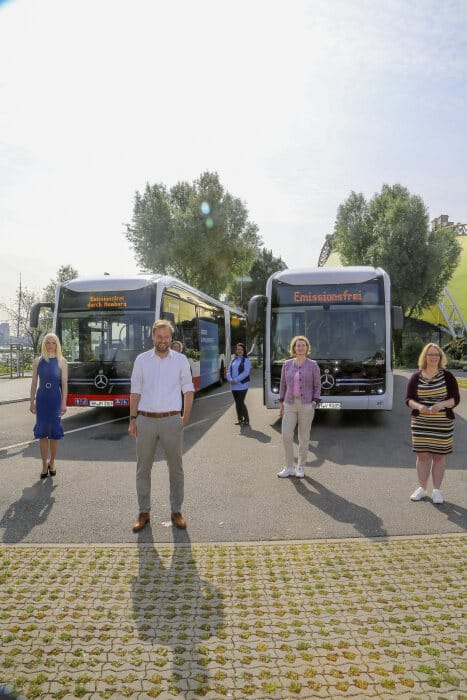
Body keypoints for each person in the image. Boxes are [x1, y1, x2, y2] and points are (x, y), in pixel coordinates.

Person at [129, 319, 194, 532]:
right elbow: (135, 391)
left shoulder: (181, 360)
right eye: (159, 336)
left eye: (166, 337)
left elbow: (188, 389)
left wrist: (184, 417)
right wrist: (132, 419)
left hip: (171, 419)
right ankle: (143, 512)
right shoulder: (141, 360)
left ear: (171, 338)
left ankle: (176, 511)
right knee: (143, 468)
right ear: (153, 336)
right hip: (145, 420)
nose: (163, 340)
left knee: (176, 469)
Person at [405, 342, 460, 504]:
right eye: (430, 354)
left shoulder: (448, 376)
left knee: (438, 456)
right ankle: (422, 488)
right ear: (425, 357)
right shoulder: (416, 377)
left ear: (440, 357)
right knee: (422, 456)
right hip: (420, 422)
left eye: (437, 354)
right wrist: (420, 406)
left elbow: (455, 399)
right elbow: (408, 399)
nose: (434, 357)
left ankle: (437, 491)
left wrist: (441, 405)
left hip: (442, 423)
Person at [277, 335, 321, 478]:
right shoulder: (287, 364)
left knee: (304, 437)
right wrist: (281, 403)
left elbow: (317, 385)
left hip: (307, 404)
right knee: (286, 436)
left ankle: (300, 467)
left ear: (307, 348)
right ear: (294, 348)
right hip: (290, 403)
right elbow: (283, 384)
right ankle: (289, 467)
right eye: (298, 345)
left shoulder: (313, 364)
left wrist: (314, 402)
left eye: (303, 345)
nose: (300, 347)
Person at [29, 332, 68, 479]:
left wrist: (64, 403)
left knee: (54, 434)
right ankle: (44, 464)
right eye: (48, 342)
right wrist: (31, 401)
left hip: (55, 400)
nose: (50, 345)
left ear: (57, 345)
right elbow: (33, 383)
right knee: (42, 433)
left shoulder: (62, 361)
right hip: (42, 399)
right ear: (44, 344)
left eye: (53, 343)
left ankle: (52, 461)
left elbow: (64, 385)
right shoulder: (38, 361)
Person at [227, 342, 251, 426]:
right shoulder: (233, 360)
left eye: (241, 349)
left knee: (240, 402)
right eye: (238, 349)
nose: (239, 351)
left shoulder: (246, 360)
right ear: (236, 350)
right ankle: (240, 419)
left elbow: (246, 372)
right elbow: (228, 371)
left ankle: (246, 419)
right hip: (233, 386)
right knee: (237, 403)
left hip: (243, 385)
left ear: (244, 350)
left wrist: (236, 380)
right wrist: (230, 379)